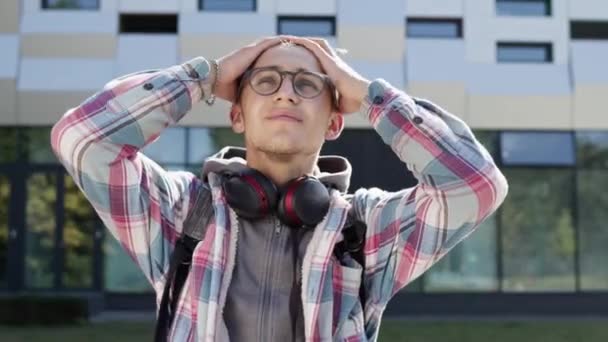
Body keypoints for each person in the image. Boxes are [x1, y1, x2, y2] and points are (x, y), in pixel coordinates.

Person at [51, 35, 509, 341]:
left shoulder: (366, 231)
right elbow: (84, 140)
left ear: (334, 121)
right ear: (236, 114)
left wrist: (372, 97)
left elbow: (475, 186)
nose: (286, 94)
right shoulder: (180, 211)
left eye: (307, 84)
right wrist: (205, 76)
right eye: (266, 82)